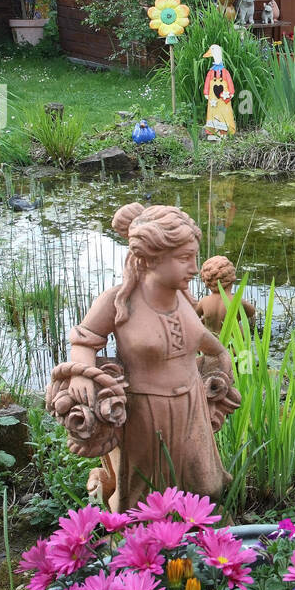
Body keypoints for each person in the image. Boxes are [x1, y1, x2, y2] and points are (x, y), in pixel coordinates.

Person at [59, 203, 240, 512]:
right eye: (185, 259)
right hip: (145, 412)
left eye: (194, 257)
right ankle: (137, 546)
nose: (194, 268)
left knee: (207, 488)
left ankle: (203, 542)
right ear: (151, 259)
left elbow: (208, 343)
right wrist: (81, 373)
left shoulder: (184, 300)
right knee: (143, 495)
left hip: (191, 405)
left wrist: (222, 367)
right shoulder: (119, 301)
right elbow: (84, 341)